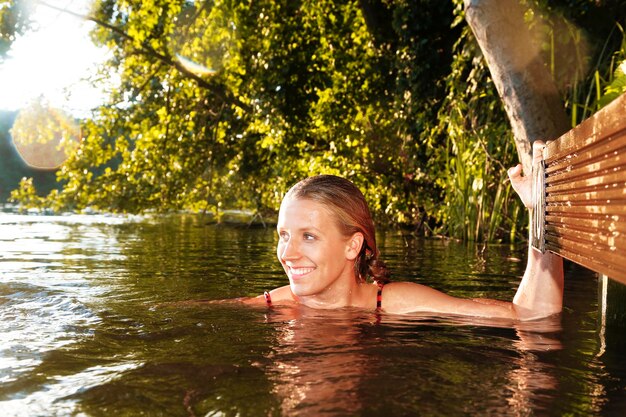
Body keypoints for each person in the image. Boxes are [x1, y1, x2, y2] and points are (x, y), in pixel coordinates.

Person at [246, 141, 564, 320]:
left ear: (352, 246)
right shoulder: (274, 305)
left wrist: (541, 213)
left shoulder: (394, 303)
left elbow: (531, 314)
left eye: (309, 236)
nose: (287, 254)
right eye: (283, 235)